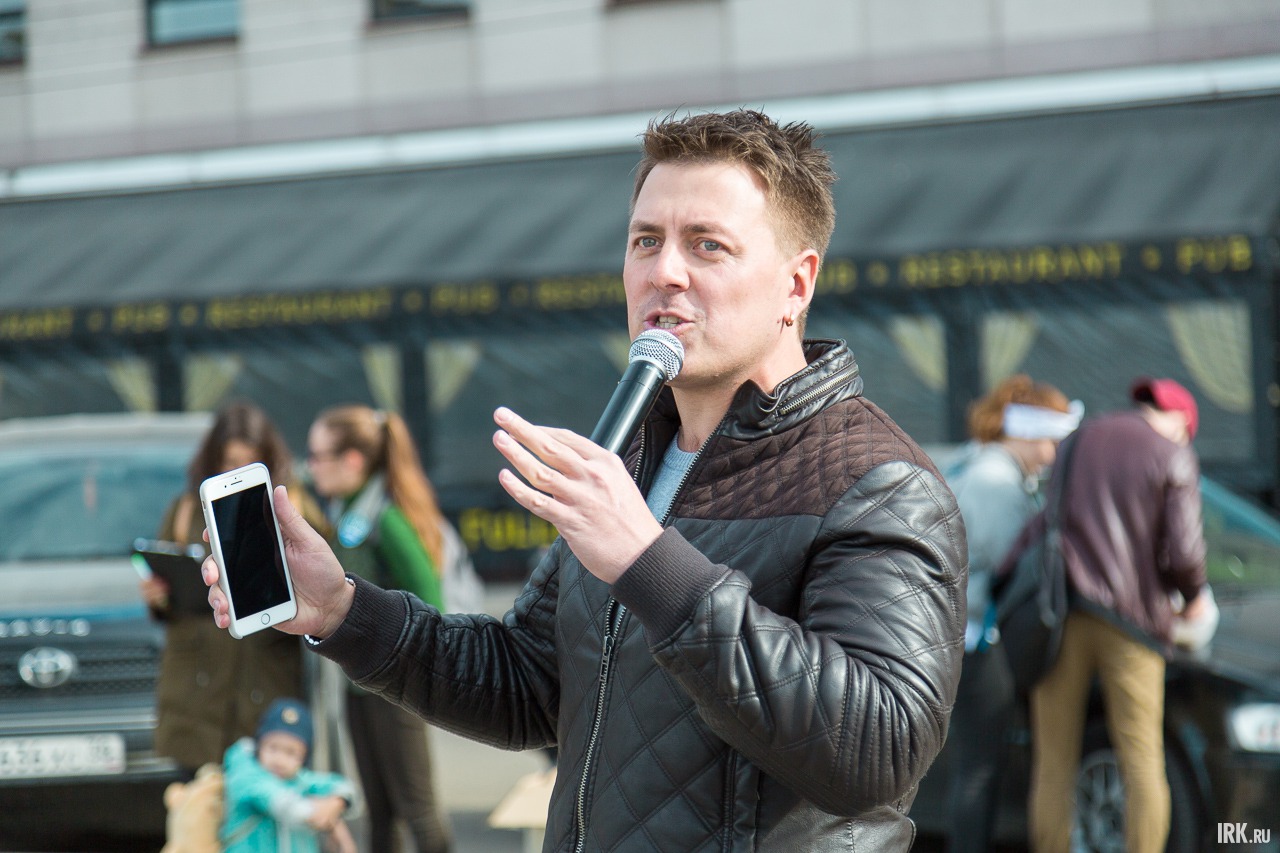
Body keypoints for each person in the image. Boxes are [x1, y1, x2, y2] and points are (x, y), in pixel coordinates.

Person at [204, 109, 967, 850]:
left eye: (707, 245)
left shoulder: (878, 482)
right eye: (646, 241)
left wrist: (650, 562)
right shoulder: (629, 455)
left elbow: (879, 750)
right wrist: (342, 609)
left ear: (796, 285)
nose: (664, 272)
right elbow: (530, 683)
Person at [1026, 377, 1209, 853]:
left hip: (1062, 613)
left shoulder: (1078, 439)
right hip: (1135, 624)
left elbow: (1045, 521)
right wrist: (1192, 598)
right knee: (1142, 760)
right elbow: (1185, 553)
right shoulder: (1171, 454)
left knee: (1053, 761)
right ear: (1180, 423)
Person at [143, 400, 326, 776]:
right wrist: (159, 597)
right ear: (212, 459)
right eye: (229, 461)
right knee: (199, 801)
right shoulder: (185, 510)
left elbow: (325, 579)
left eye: (249, 462)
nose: (237, 471)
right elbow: (167, 597)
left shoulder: (292, 507)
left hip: (265, 682)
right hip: (197, 689)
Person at [941, 375, 1081, 853]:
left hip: (970, 638)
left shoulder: (982, 467)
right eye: (1050, 441)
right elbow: (1010, 568)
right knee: (980, 767)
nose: (1054, 454)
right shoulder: (995, 484)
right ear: (1025, 432)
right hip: (980, 642)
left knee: (977, 765)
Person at [305, 404, 452, 853]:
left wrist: (399, 654)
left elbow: (433, 601)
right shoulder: (346, 511)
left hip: (397, 689)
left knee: (418, 811)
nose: (311, 467)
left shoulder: (384, 518)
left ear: (352, 461)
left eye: (318, 456)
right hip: (360, 686)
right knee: (380, 812)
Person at [222, 698, 357, 853]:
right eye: (273, 748)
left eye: (291, 753)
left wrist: (336, 803)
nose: (280, 760)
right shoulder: (246, 774)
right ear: (259, 745)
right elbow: (279, 802)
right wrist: (319, 814)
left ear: (304, 758)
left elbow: (346, 787)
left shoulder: (300, 779)